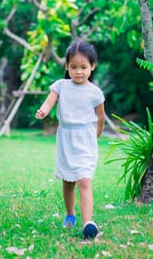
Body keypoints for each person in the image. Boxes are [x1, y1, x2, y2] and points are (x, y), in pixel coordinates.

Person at [35, 40, 106, 239]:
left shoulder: (95, 92)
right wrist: (44, 110)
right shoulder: (61, 85)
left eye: (83, 67)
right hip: (66, 138)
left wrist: (97, 134)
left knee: (84, 180)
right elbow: (50, 100)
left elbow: (100, 116)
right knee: (68, 181)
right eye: (73, 67)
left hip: (86, 139)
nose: (78, 72)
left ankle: (88, 223)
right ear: (67, 66)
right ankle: (70, 214)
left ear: (92, 66)